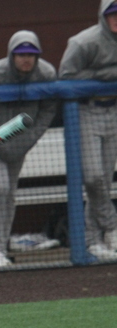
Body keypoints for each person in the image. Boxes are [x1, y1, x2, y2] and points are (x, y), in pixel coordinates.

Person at [0, 31, 58, 268]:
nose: (26, 59)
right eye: (21, 54)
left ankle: (1, 248)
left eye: (31, 54)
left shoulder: (46, 74)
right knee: (0, 187)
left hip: (20, 138)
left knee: (9, 192)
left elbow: (49, 109)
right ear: (12, 55)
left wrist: (29, 138)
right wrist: (0, 145)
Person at [59, 0, 117, 261]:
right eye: (112, 14)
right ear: (103, 15)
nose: (116, 18)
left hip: (113, 110)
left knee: (104, 179)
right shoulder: (84, 41)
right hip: (85, 111)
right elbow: (65, 76)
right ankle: (112, 226)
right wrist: (104, 75)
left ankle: (95, 240)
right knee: (93, 177)